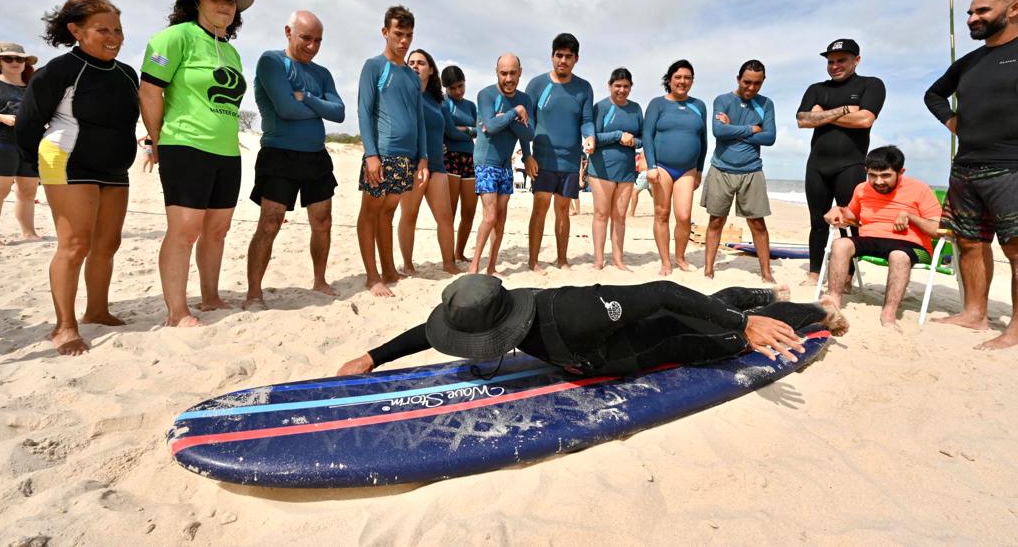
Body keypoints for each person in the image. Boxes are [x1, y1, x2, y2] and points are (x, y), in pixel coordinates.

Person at [337, 274, 849, 377]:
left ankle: (818, 309)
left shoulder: (573, 313)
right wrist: (371, 358)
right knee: (709, 299)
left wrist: (742, 327)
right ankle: (757, 292)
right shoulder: (483, 306)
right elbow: (426, 333)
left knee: (720, 329)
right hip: (637, 320)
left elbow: (665, 292)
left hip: (659, 338)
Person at [15, 0, 139, 355]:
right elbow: (28, 123)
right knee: (74, 246)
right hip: (67, 161)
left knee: (107, 244)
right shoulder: (60, 70)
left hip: (114, 167)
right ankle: (64, 326)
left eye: (118, 29)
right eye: (102, 29)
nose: (113, 36)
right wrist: (32, 170)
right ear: (76, 30)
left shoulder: (127, 74)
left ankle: (97, 310)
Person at [138, 0, 254, 327]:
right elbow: (150, 91)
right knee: (185, 229)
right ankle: (177, 312)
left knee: (218, 229)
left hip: (226, 152)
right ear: (195, 2)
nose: (224, 6)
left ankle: (211, 296)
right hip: (184, 144)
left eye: (229, 0)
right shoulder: (173, 38)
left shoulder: (231, 51)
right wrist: (155, 141)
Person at [923, 0, 1018, 350]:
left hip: (1011, 165)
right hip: (965, 166)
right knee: (969, 243)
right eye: (969, 12)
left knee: (1015, 249)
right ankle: (974, 314)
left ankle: (1014, 328)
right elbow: (933, 94)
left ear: (1013, 10)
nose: (972, 18)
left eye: (981, 11)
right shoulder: (969, 62)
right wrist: (951, 120)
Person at [244, 10, 345, 309]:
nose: (312, 46)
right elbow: (286, 109)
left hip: (316, 155)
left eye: (318, 40)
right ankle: (254, 294)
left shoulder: (322, 73)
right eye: (306, 38)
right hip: (279, 154)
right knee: (270, 222)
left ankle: (320, 280)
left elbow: (339, 112)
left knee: (323, 221)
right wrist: (318, 106)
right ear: (288, 32)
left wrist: (308, 98)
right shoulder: (272, 61)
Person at [797, 39, 886, 286]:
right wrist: (845, 109)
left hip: (851, 165)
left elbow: (865, 120)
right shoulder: (817, 88)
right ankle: (814, 274)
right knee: (818, 222)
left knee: (848, 222)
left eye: (841, 60)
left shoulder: (871, 84)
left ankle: (845, 276)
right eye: (830, 61)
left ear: (856, 60)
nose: (835, 66)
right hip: (816, 165)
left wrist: (823, 114)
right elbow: (803, 120)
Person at [823, 146, 942, 328]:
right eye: (872, 175)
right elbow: (852, 216)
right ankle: (833, 303)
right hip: (872, 238)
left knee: (899, 256)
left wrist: (911, 217)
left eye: (885, 175)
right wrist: (837, 209)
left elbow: (937, 229)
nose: (878, 181)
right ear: (866, 172)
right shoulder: (862, 189)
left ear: (900, 172)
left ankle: (888, 314)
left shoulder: (920, 189)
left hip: (912, 245)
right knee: (840, 244)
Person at [356, 5, 428, 297]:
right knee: (370, 213)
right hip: (381, 154)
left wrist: (423, 156)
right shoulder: (374, 66)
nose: (404, 41)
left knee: (388, 213)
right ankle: (372, 276)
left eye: (408, 35)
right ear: (385, 32)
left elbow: (419, 117)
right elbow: (364, 111)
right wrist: (371, 154)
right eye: (398, 34)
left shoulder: (412, 76)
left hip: (406, 157)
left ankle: (388, 269)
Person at [525, 33, 595, 271]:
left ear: (576, 59)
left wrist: (590, 135)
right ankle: (533, 261)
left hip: (570, 161)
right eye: (559, 55)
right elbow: (527, 124)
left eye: (568, 56)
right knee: (540, 209)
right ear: (552, 56)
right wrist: (527, 154)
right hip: (543, 158)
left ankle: (562, 259)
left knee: (563, 210)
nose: (562, 60)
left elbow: (586, 120)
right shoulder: (537, 85)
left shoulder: (584, 88)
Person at [702, 60, 777, 281]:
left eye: (757, 83)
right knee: (716, 220)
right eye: (747, 82)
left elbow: (770, 137)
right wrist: (751, 129)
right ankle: (708, 269)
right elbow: (717, 131)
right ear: (738, 79)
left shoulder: (767, 104)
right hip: (721, 169)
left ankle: (765, 272)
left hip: (752, 170)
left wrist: (732, 129)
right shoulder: (722, 100)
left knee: (757, 223)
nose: (751, 88)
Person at [397, 49, 461, 276]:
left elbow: (448, 130)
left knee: (445, 217)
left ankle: (449, 263)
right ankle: (408, 264)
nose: (415, 66)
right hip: (412, 164)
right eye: (411, 62)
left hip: (437, 165)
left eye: (421, 63)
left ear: (431, 69)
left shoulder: (438, 101)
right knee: (410, 215)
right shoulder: (403, 93)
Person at [469, 53, 533, 275]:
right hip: (486, 161)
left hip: (506, 164)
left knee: (502, 216)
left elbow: (529, 134)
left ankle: (492, 266)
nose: (508, 78)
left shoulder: (525, 99)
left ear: (520, 72)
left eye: (512, 73)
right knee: (490, 216)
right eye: (503, 73)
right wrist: (514, 114)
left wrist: (502, 119)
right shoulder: (485, 94)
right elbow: (491, 127)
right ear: (496, 72)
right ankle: (474, 266)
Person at [643, 60, 707, 275]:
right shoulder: (657, 104)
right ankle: (665, 261)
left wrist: (699, 170)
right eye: (678, 77)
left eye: (687, 78)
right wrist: (650, 166)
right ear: (669, 80)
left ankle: (679, 256)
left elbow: (704, 140)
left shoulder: (699, 106)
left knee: (684, 216)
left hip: (688, 170)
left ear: (692, 81)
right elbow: (647, 136)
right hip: (661, 167)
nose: (682, 81)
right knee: (661, 214)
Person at [588, 68, 643, 270]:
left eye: (626, 86)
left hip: (627, 170)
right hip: (601, 168)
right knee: (601, 214)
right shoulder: (600, 107)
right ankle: (598, 260)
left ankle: (618, 259)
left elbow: (642, 139)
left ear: (631, 87)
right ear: (610, 85)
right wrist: (618, 135)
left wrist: (633, 141)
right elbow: (592, 137)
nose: (621, 90)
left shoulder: (636, 108)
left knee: (620, 216)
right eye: (617, 86)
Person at [0, 42, 40, 245]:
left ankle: (29, 232)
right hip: (1, 143)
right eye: (9, 58)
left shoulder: (33, 86)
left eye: (20, 59)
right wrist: (2, 118)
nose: (15, 62)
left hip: (29, 144)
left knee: (28, 191)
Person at [441, 65, 478, 262]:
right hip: (451, 158)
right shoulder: (444, 103)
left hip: (470, 158)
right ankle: (448, 256)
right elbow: (450, 132)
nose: (457, 91)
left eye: (460, 86)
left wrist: (465, 129)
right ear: (445, 88)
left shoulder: (471, 105)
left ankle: (459, 252)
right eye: (452, 88)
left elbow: (482, 130)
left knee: (470, 211)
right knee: (451, 211)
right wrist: (469, 131)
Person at [629, 150, 651, 217]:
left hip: (645, 173)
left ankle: (631, 213)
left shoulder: (646, 149)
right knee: (655, 195)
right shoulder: (646, 149)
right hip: (649, 172)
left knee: (634, 192)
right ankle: (660, 212)